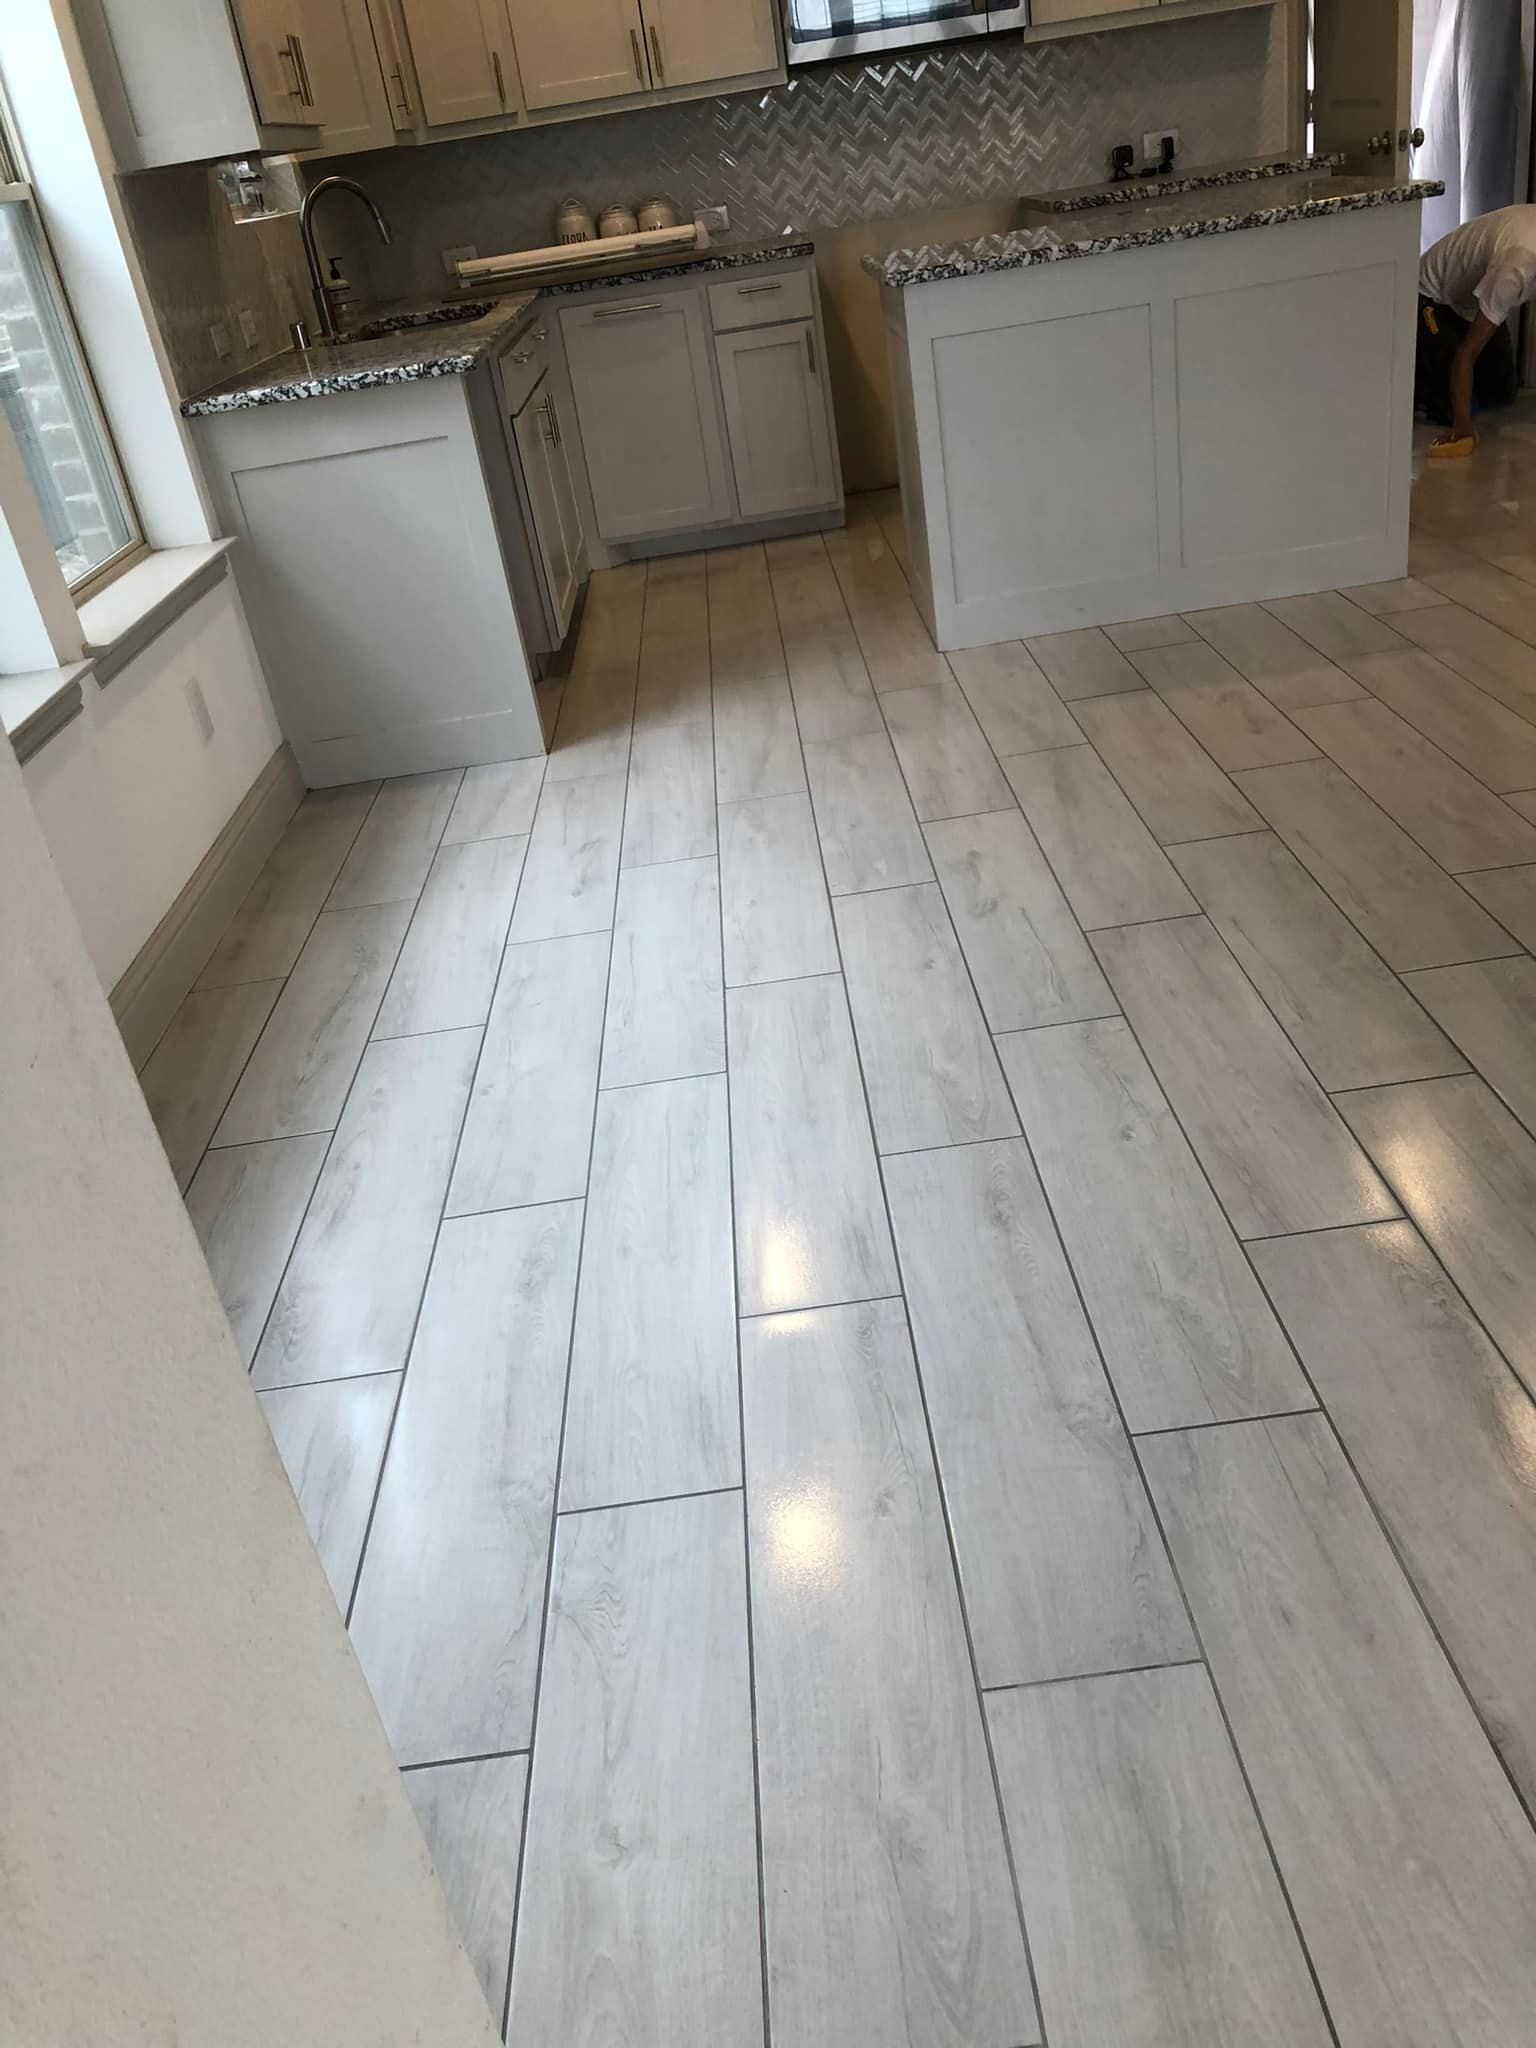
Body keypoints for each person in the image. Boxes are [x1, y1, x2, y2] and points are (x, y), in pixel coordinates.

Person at [1416, 204, 1534, 456]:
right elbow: (1467, 352)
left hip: (1472, 301)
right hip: (1432, 297)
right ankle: (1418, 377)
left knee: (1501, 393)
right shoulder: (1516, 267)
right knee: (1451, 409)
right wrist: (1462, 428)